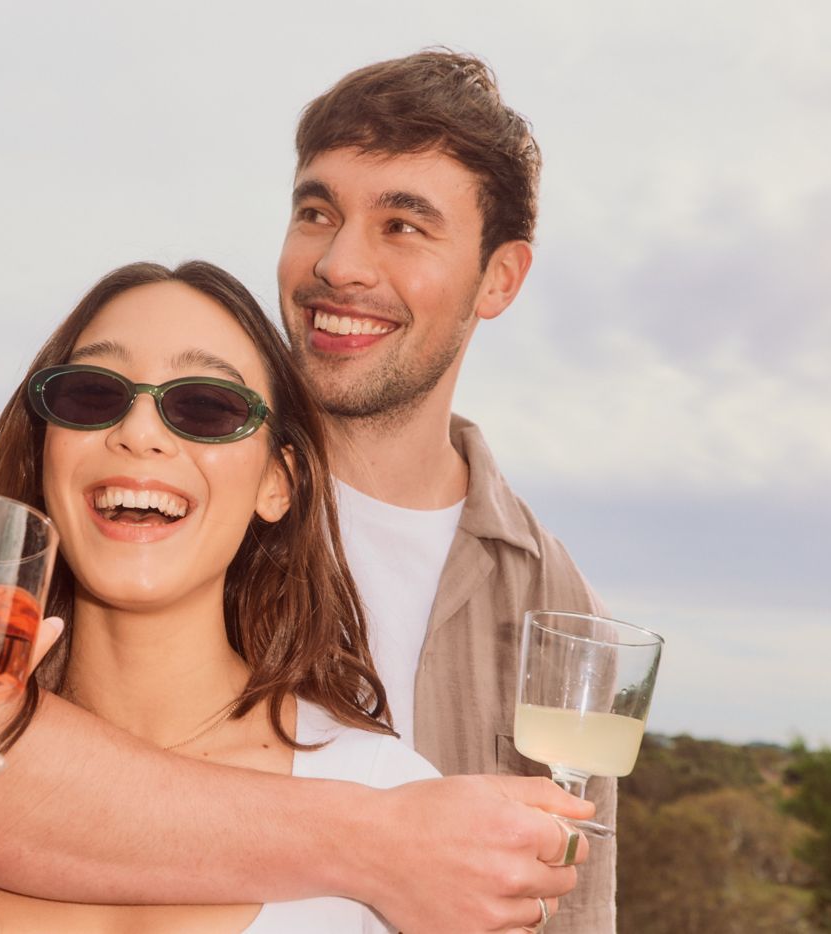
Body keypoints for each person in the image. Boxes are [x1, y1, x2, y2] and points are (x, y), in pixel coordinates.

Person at [0, 261, 585, 933]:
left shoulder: (395, 796)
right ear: (46, 452)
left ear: (279, 484)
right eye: (91, 394)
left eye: (206, 407)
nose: (139, 431)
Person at [275, 49, 616, 930]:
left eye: (403, 226)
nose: (340, 265)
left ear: (498, 279)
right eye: (318, 212)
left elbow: (571, 912)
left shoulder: (555, 602)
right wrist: (375, 840)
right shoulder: (164, 482)